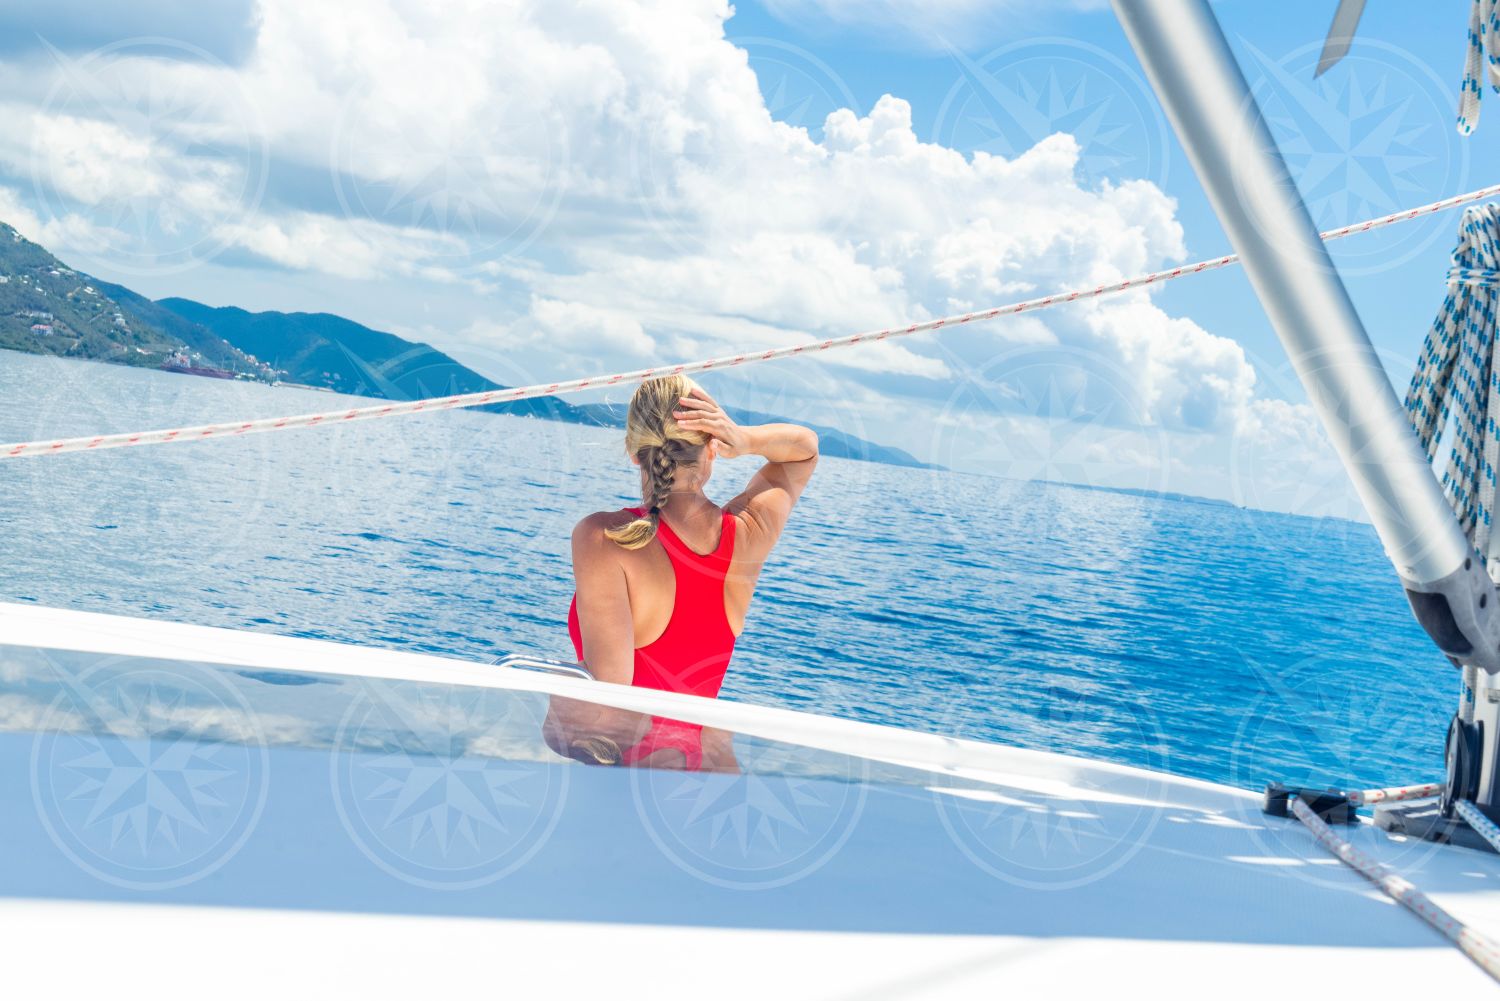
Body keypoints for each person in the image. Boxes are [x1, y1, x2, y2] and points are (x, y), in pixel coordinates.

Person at [544, 374, 819, 769]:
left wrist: (551, 689)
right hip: (706, 779)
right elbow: (804, 451)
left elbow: (607, 711)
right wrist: (744, 439)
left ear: (634, 452)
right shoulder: (745, 536)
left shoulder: (604, 538)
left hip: (632, 786)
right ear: (712, 448)